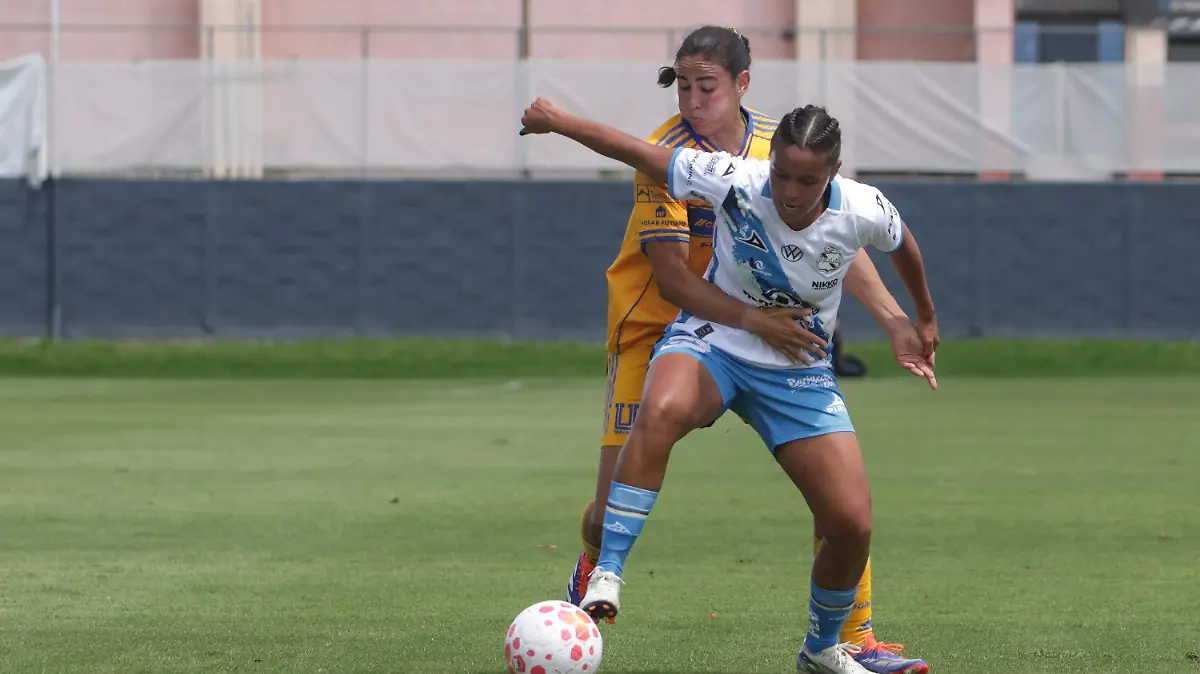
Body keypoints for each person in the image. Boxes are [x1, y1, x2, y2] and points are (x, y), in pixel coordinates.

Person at [520, 98, 939, 674]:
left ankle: (822, 650)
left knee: (851, 523)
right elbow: (638, 151)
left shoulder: (864, 207)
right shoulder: (735, 179)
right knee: (660, 408)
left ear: (833, 175)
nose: (790, 190)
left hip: (798, 369)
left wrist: (918, 320)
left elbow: (905, 247)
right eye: (783, 174)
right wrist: (558, 122)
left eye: (807, 180)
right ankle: (609, 573)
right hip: (714, 342)